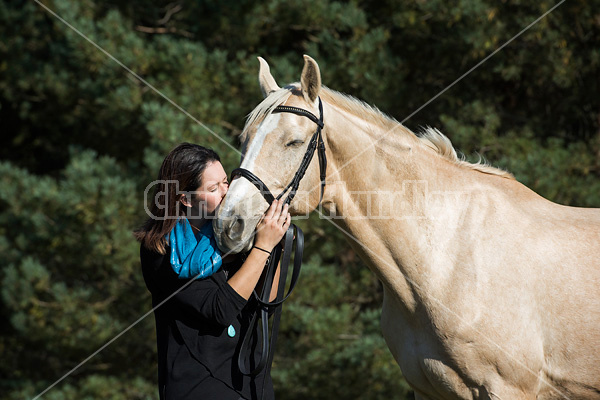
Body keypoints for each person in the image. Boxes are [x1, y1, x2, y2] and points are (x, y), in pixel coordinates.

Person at [134, 143, 290, 400]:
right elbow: (220, 310)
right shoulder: (163, 250)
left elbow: (267, 305)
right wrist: (263, 247)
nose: (226, 192)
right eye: (213, 188)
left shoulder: (233, 237)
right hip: (199, 387)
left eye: (226, 182)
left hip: (252, 386)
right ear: (185, 198)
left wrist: (275, 250)